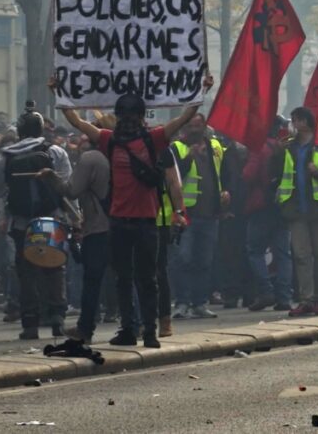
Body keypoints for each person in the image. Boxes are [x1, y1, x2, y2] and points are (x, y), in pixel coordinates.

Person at [58, 75, 212, 349]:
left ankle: (142, 329)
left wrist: (63, 95)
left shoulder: (141, 139)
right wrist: (61, 95)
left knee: (138, 278)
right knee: (132, 278)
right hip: (130, 222)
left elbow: (78, 122)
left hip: (135, 222)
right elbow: (79, 123)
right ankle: (136, 330)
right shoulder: (118, 140)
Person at [0, 109, 72, 340]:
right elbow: (66, 185)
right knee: (55, 269)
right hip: (52, 219)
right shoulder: (55, 151)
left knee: (26, 273)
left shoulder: (6, 156)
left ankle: (30, 324)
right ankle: (57, 318)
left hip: (21, 222)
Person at [39, 120, 110, 343]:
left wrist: (52, 177)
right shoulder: (123, 154)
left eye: (86, 134)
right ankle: (134, 324)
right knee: (126, 277)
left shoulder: (91, 158)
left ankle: (85, 327)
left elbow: (71, 190)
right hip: (124, 223)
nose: (80, 140)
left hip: (98, 226)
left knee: (92, 278)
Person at [270, 107, 318, 318]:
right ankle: (306, 300)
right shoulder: (289, 146)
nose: (293, 124)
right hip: (296, 210)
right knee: (301, 256)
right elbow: (276, 172)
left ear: (306, 122)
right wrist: (278, 152)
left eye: (297, 120)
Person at [169, 113, 230, 320]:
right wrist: (189, 158)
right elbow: (172, 177)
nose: (195, 130)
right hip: (187, 214)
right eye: (191, 126)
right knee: (183, 259)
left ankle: (199, 303)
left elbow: (226, 172)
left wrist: (226, 191)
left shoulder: (215, 146)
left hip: (210, 213)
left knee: (204, 261)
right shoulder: (177, 148)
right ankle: (182, 303)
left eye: (199, 125)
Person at [245, 116, 293, 312]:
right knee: (283, 253)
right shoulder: (286, 148)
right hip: (282, 205)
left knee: (254, 250)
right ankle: (284, 297)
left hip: (261, 205)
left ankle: (266, 291)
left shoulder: (260, 149)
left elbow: (248, 175)